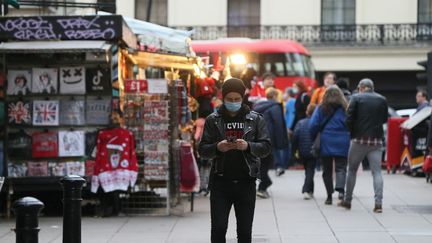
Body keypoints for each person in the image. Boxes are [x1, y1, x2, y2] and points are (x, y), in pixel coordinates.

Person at [199, 78, 271, 243]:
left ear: (242, 98)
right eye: (229, 99)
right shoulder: (213, 119)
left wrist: (248, 146)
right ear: (223, 98)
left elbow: (266, 147)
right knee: (218, 229)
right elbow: (202, 150)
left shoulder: (255, 119)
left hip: (246, 182)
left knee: (245, 232)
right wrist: (218, 147)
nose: (233, 102)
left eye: (237, 99)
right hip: (220, 183)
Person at [339, 78, 388, 213]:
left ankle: (347, 200)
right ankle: (378, 203)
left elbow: (348, 118)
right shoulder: (382, 99)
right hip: (376, 141)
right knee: (377, 172)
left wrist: (352, 131)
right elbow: (384, 118)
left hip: (359, 140)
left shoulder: (356, 98)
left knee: (352, 169)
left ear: (361, 87)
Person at [309, 85, 350, 205]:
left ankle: (329, 196)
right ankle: (341, 191)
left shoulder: (321, 108)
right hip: (343, 140)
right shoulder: (345, 108)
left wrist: (314, 138)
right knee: (341, 167)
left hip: (326, 140)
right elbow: (352, 123)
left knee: (326, 170)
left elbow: (313, 125)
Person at [254, 88, 289, 187]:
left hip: (258, 138)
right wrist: (280, 142)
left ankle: (264, 183)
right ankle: (264, 184)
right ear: (274, 96)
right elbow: (278, 124)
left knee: (263, 161)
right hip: (270, 138)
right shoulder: (275, 107)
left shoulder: (258, 106)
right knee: (266, 162)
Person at [292, 104, 317, 200]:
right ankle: (306, 190)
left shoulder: (300, 123)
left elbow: (295, 137)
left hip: (302, 150)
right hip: (313, 150)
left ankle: (310, 190)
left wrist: (294, 150)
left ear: (307, 112)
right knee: (310, 170)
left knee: (308, 170)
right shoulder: (317, 123)